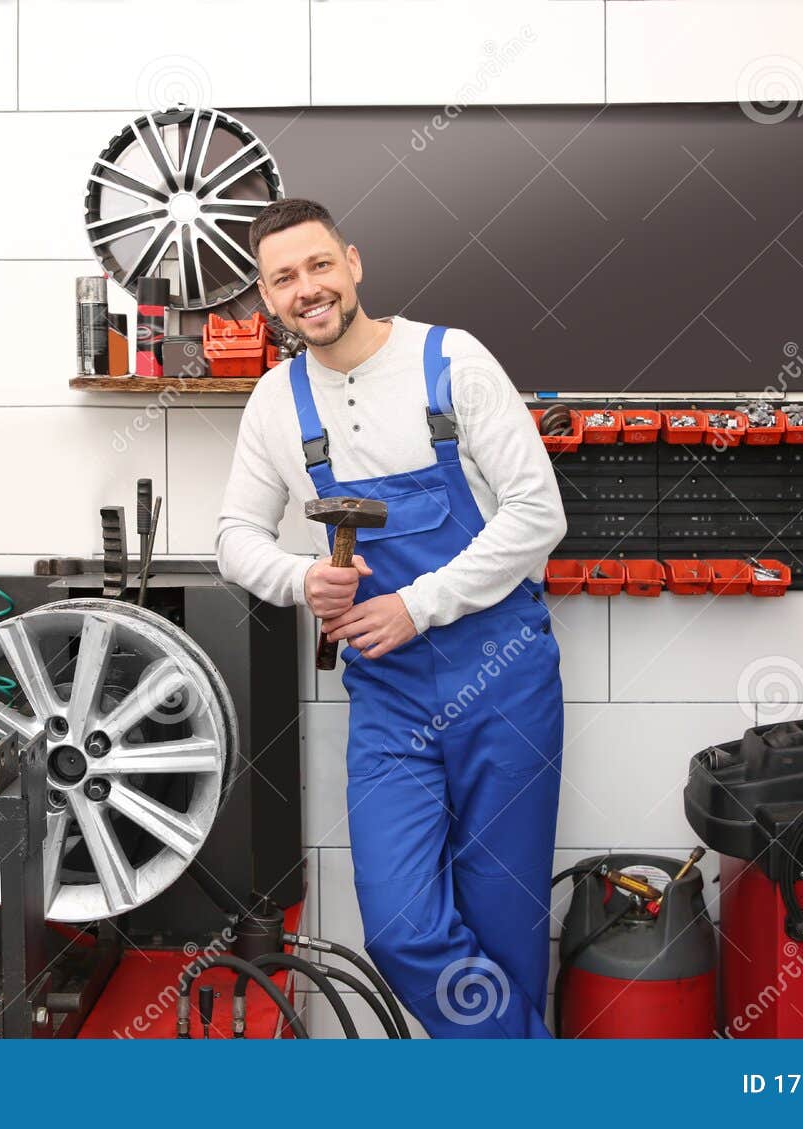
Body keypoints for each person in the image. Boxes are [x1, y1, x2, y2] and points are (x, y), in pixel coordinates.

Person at [215, 198, 567, 1037]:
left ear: (354, 263)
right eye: (284, 278)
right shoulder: (276, 401)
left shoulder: (451, 360)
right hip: (389, 696)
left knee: (503, 922)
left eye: (319, 265)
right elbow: (233, 537)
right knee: (402, 926)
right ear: (268, 298)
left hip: (502, 674)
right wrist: (302, 578)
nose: (307, 288)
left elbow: (537, 513)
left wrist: (417, 603)